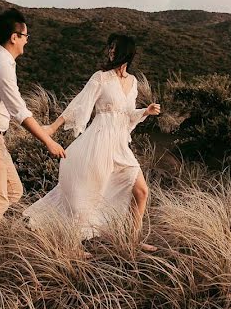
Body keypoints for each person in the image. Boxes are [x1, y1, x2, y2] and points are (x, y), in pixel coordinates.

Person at [23, 34, 161, 254]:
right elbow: (80, 103)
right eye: (110, 48)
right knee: (88, 193)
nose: (110, 52)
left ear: (126, 52)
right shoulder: (101, 77)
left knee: (141, 191)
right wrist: (53, 127)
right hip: (98, 140)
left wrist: (145, 111)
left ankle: (133, 240)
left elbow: (125, 114)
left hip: (120, 145)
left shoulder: (133, 82)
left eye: (115, 48)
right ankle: (72, 243)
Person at [0, 8, 67, 241]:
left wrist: (46, 129)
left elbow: (18, 109)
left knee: (13, 192)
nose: (27, 41)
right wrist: (48, 141)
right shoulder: (1, 66)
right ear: (14, 37)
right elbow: (19, 111)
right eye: (26, 36)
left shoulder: (4, 62)